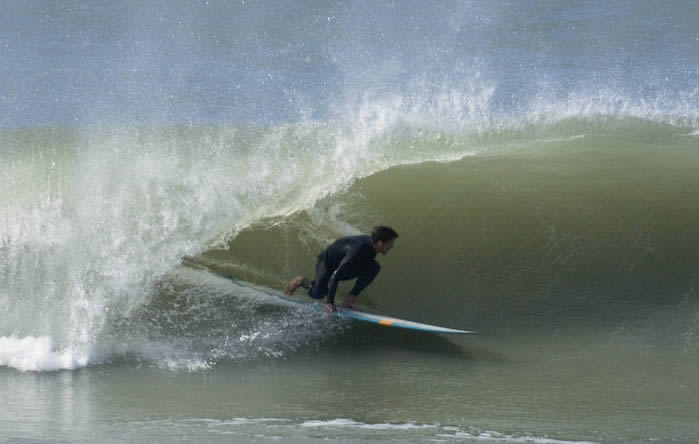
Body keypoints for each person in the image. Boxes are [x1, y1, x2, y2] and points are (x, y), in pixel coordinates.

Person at [283, 225, 398, 312]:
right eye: (390, 243)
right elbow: (335, 277)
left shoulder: (372, 247)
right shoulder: (358, 250)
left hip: (342, 266)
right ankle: (300, 281)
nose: (392, 246)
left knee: (374, 267)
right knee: (318, 294)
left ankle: (350, 298)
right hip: (327, 263)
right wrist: (330, 303)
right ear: (379, 243)